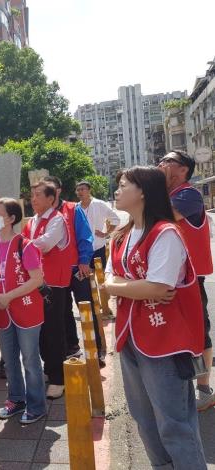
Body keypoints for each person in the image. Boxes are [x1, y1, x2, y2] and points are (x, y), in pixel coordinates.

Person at [103, 166, 206, 470]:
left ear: (143, 191)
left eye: (123, 185)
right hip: (130, 335)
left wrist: (121, 287)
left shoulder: (166, 232)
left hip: (165, 341)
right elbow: (110, 277)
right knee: (144, 418)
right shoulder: (121, 234)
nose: (117, 191)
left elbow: (159, 286)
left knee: (174, 423)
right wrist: (120, 287)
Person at [158, 151, 214, 411]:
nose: (160, 165)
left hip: (189, 280)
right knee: (175, 332)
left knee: (198, 332)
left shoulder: (187, 195)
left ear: (182, 170)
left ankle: (204, 388)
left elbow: (160, 218)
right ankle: (183, 382)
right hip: (168, 277)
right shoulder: (167, 195)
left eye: (166, 161)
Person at [0, 198, 47, 424]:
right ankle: (16, 399)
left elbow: (37, 279)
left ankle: (36, 405)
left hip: (26, 309)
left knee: (30, 360)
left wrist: (8, 296)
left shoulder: (26, 244)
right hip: (4, 311)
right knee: (9, 359)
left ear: (11, 218)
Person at [23, 181, 71, 399]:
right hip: (37, 283)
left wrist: (22, 245)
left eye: (38, 195)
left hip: (54, 283)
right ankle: (49, 370)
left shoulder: (57, 219)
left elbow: (45, 243)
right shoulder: (32, 221)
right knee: (41, 329)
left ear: (51, 199)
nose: (33, 199)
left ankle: (59, 378)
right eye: (32, 194)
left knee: (53, 330)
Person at [43, 176, 98, 363]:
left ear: (57, 191)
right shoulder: (42, 215)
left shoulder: (73, 209)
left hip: (76, 269)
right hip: (56, 273)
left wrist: (84, 260)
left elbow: (85, 235)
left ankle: (95, 350)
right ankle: (71, 346)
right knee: (62, 310)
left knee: (86, 307)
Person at [76, 181, 120, 266]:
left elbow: (115, 219)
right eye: (78, 190)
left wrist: (106, 233)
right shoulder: (76, 207)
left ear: (89, 190)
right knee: (84, 275)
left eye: (82, 189)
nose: (80, 192)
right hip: (82, 249)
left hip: (97, 247)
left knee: (99, 273)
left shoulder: (99, 204)